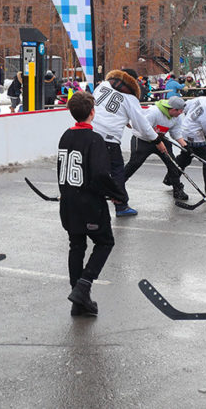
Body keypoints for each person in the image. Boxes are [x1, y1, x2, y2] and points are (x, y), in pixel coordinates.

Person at [57, 91, 128, 317]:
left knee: (76, 246)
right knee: (105, 242)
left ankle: (79, 300)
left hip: (69, 204)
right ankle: (84, 286)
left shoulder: (65, 136)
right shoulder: (95, 139)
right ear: (92, 112)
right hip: (89, 205)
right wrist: (118, 194)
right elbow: (99, 175)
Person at [91, 68, 156, 217]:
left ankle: (86, 196)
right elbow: (142, 125)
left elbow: (99, 107)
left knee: (92, 167)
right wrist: (156, 138)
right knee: (117, 171)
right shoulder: (130, 98)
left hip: (91, 131)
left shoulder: (103, 85)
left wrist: (124, 118)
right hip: (110, 138)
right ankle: (121, 205)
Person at [123, 96, 188, 201]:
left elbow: (175, 132)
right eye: (179, 111)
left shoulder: (176, 117)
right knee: (134, 163)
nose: (180, 114)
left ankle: (177, 189)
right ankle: (115, 187)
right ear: (172, 109)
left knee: (173, 163)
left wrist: (185, 145)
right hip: (142, 139)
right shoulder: (154, 112)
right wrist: (156, 141)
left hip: (160, 139)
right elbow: (145, 128)